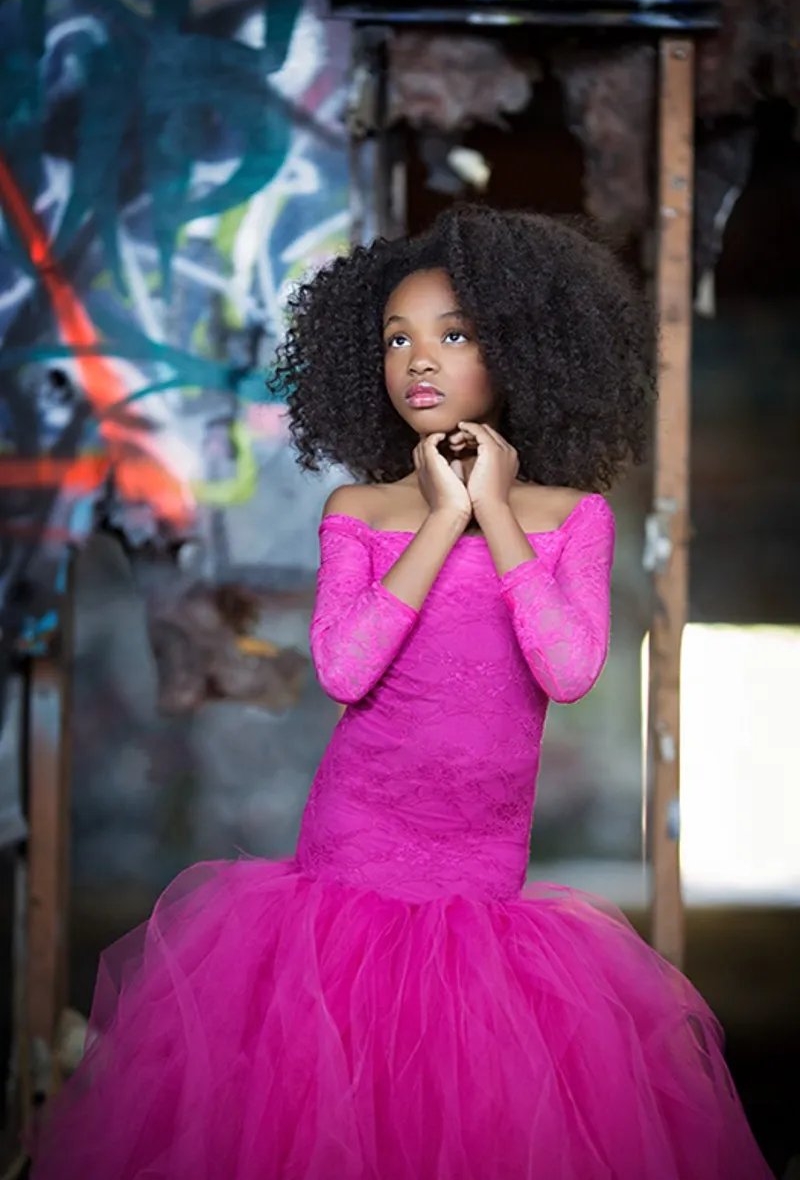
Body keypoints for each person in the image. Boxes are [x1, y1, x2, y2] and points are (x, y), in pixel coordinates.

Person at [32, 205, 773, 1179]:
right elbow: (345, 669)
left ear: (517, 350)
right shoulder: (360, 509)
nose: (416, 360)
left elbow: (566, 668)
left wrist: (495, 513)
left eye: (451, 335)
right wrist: (439, 520)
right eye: (395, 339)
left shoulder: (568, 519)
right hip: (347, 878)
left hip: (480, 889)